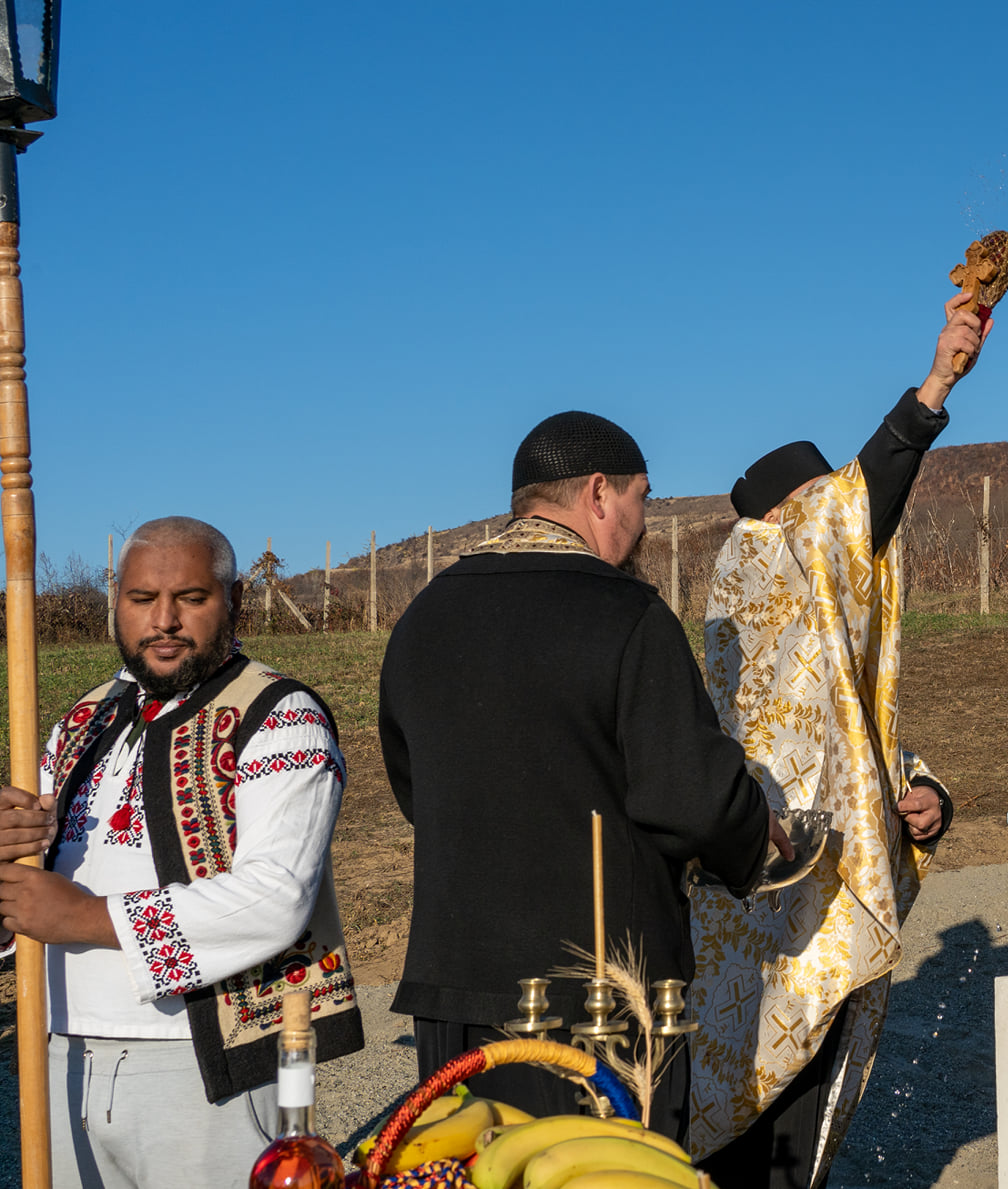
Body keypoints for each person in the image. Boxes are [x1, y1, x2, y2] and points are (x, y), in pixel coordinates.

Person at [379, 410, 784, 1139]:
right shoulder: (627, 615)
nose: (643, 521)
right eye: (642, 499)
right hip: (599, 1001)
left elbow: (417, 789)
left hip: (454, 996)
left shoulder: (422, 618)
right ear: (599, 492)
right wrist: (758, 833)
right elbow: (691, 797)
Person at [691, 290, 988, 1188]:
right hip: (763, 907)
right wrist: (937, 380)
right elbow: (858, 505)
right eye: (827, 508)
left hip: (831, 883)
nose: (860, 537)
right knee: (749, 1116)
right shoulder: (752, 565)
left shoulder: (816, 608)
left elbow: (856, 734)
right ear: (788, 523)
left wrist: (926, 796)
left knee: (812, 1112)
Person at [0, 516, 361, 1189]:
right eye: (141, 600)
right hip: (60, 1055)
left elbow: (274, 899)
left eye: (191, 598)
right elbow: (29, 893)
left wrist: (81, 917)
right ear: (117, 604)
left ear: (235, 603)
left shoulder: (280, 715)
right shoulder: (80, 721)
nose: (164, 620)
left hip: (201, 1066)